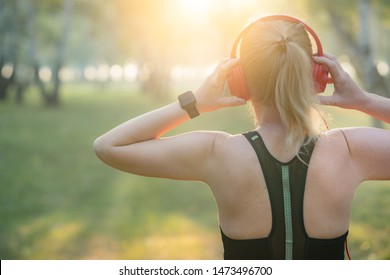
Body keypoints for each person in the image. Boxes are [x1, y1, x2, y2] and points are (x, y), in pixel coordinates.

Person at [93, 16, 390, 260]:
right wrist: (362, 100)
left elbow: (109, 146)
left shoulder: (217, 153)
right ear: (316, 76)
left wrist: (195, 101)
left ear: (239, 81)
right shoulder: (350, 151)